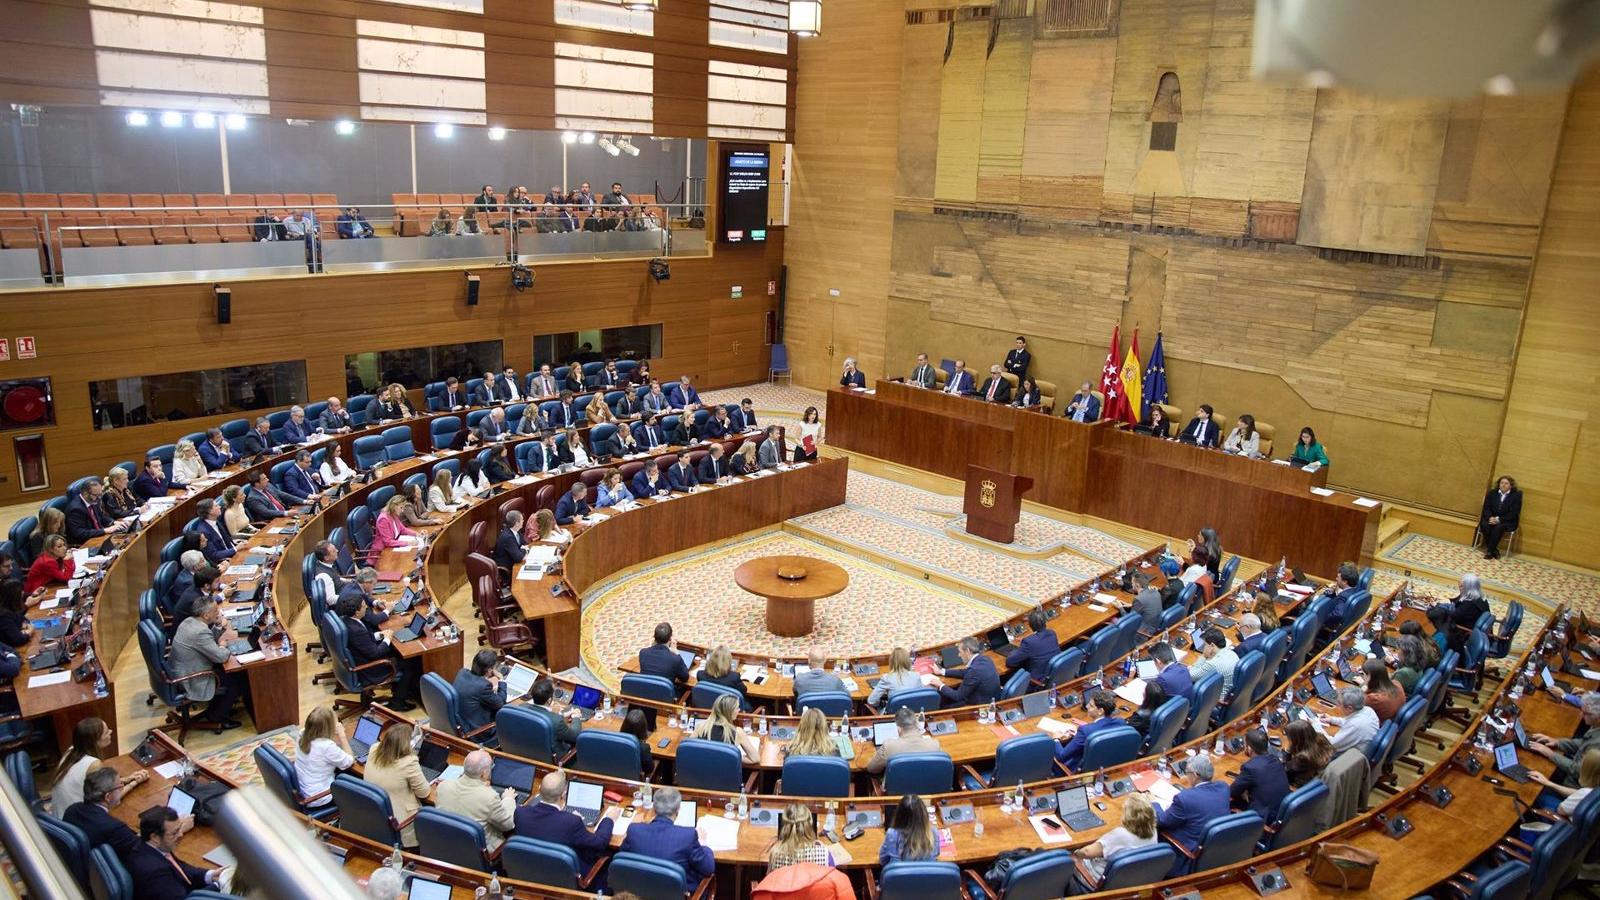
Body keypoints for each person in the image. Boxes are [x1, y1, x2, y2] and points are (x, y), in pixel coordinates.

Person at [514, 770, 618, 869]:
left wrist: (567, 816)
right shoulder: (572, 822)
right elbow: (600, 843)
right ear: (564, 794)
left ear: (539, 789)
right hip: (566, 873)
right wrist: (609, 819)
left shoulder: (520, 812)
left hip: (531, 867)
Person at [339, 592, 419, 710]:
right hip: (370, 670)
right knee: (409, 664)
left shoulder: (348, 620)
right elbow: (375, 653)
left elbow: (365, 639)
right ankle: (398, 702)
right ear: (356, 612)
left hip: (360, 659)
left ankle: (402, 690)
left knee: (396, 652)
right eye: (363, 605)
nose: (366, 606)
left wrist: (380, 635)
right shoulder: (356, 630)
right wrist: (387, 639)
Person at [618, 786, 715, 881]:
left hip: (638, 892)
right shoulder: (688, 836)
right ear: (678, 810)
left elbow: (621, 858)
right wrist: (703, 844)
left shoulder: (634, 830)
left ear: (654, 808)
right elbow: (708, 869)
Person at [171, 598, 241, 728]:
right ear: (206, 615)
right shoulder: (199, 632)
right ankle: (219, 717)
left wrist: (219, 626)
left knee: (229, 673)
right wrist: (222, 647)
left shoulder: (189, 622)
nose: (218, 612)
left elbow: (206, 642)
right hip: (192, 679)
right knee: (236, 678)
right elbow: (221, 657)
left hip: (180, 671)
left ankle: (218, 709)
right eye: (215, 610)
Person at [52, 717, 145, 814]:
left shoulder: (71, 750)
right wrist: (134, 783)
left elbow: (88, 784)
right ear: (95, 741)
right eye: (106, 732)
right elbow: (108, 800)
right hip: (76, 818)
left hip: (60, 815)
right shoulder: (93, 764)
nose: (111, 731)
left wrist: (126, 779)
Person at [363, 723, 430, 848]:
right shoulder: (409, 761)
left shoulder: (374, 748)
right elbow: (424, 793)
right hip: (401, 822)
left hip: (375, 815)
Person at [1072, 793, 1157, 890]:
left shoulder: (1121, 835)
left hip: (1096, 879)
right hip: (1129, 879)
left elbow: (1086, 852)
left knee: (1067, 858)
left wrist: (1075, 854)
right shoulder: (1154, 831)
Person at [435, 750, 517, 851]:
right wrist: (508, 799)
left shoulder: (443, 786)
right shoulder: (489, 797)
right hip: (480, 850)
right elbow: (508, 825)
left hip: (448, 843)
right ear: (483, 774)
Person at [1156, 753, 1229, 853]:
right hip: (1215, 846)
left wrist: (1154, 804)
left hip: (1187, 850)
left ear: (1195, 776)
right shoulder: (1223, 787)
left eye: (1187, 772)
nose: (1186, 775)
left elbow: (1162, 821)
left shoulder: (1185, 798)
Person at [64, 767, 142, 857]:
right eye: (120, 787)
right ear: (108, 797)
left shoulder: (72, 809)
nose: (122, 788)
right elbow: (140, 847)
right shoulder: (114, 828)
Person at [1527, 692, 1600, 786]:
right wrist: (1557, 742)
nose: (1581, 715)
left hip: (1572, 784)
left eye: (1585, 713)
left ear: (1598, 718)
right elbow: (1583, 742)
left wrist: (1550, 754)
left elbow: (1578, 770)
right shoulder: (1596, 726)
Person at [293, 706, 353, 810]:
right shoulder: (326, 746)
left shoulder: (302, 733)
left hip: (303, 789)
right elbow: (350, 761)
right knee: (355, 779)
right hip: (319, 798)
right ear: (329, 727)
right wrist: (342, 735)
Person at [1054, 690, 1124, 772]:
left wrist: (1056, 739)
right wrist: (1079, 736)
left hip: (1079, 771)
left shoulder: (1085, 731)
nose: (1087, 706)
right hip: (1106, 766)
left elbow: (1061, 757)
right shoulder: (1120, 722)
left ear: (1100, 711)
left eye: (1091, 705)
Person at [1230, 729, 1289, 820]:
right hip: (1279, 812)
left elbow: (1232, 792)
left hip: (1263, 818)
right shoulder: (1276, 760)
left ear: (1249, 748)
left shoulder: (1250, 768)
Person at [865, 706, 942, 774]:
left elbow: (872, 769)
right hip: (928, 788)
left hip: (897, 790)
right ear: (917, 724)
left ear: (898, 729)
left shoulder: (889, 746)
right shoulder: (934, 744)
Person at [1528, 748, 1600, 815]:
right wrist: (1548, 783)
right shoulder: (1592, 791)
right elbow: (1578, 793)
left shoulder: (1584, 793)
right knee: (1547, 788)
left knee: (1536, 793)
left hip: (1562, 816)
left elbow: (1561, 810)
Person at [935, 636, 1001, 707]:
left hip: (980, 705)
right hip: (992, 697)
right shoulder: (985, 659)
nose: (959, 655)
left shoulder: (974, 671)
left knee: (943, 705)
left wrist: (940, 685)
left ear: (967, 651)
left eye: (960, 652)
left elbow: (958, 696)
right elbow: (966, 672)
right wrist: (942, 672)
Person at [879, 794, 944, 865]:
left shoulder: (892, 834)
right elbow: (936, 855)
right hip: (928, 875)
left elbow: (883, 860)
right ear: (924, 814)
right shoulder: (934, 833)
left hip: (900, 875)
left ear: (899, 815)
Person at [695, 694, 759, 764]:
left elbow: (689, 749)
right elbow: (755, 759)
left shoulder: (700, 727)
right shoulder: (738, 732)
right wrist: (732, 755)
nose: (739, 710)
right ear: (730, 712)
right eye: (737, 708)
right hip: (724, 774)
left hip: (701, 772)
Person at [528, 677, 584, 757]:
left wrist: (561, 715)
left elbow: (546, 715)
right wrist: (576, 717)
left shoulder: (521, 707)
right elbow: (575, 735)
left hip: (531, 750)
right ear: (549, 700)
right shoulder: (557, 722)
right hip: (555, 758)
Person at [768, 804, 832, 871]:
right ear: (810, 825)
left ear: (784, 825)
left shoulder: (775, 854)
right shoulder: (824, 854)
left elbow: (771, 879)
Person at [455, 650, 505, 734]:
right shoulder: (483, 686)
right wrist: (502, 680)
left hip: (462, 723)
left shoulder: (462, 672)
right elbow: (501, 704)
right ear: (489, 670)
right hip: (477, 731)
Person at [1005, 609, 1058, 686]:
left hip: (1036, 682)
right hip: (1053, 675)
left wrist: (1013, 651)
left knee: (1006, 677)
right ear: (1045, 622)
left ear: (1030, 626)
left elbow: (1010, 662)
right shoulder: (1052, 633)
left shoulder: (1029, 642)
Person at [67, 479, 127, 544]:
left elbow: (101, 516)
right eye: (97, 495)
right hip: (86, 542)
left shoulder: (93, 500)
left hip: (99, 536)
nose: (99, 498)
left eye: (100, 494)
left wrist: (113, 522)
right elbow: (80, 533)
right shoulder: (76, 509)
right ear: (85, 494)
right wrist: (104, 530)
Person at [1323, 687, 1379, 755]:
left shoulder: (1356, 725)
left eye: (1339, 703)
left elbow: (1331, 745)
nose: (1337, 705)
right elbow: (1349, 721)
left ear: (1349, 708)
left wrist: (1317, 728)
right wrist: (1332, 719)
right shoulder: (1368, 710)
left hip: (1350, 759)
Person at [1478, 475, 1521, 559]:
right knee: (1485, 525)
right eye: (1501, 483)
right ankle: (1494, 550)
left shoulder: (1516, 495)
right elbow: (1486, 508)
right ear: (1499, 484)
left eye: (1506, 483)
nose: (1503, 485)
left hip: (1507, 521)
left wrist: (1498, 519)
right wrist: (1490, 517)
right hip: (1491, 518)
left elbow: (1514, 512)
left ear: (1511, 485)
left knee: (1498, 527)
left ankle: (1490, 551)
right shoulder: (1492, 493)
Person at [1283, 718, 1335, 788]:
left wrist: (1287, 752)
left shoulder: (1303, 757)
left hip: (1300, 784)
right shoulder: (1321, 738)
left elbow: (1286, 771)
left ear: (1296, 739)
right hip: (1318, 777)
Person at [1448, 573, 1491, 652]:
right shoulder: (1480, 597)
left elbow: (1453, 617)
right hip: (1477, 631)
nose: (1459, 588)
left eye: (1461, 586)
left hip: (1467, 633)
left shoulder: (1469, 605)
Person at [1187, 627, 1240, 692]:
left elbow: (1190, 677)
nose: (1204, 647)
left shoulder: (1213, 664)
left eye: (1205, 644)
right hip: (1231, 691)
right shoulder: (1232, 653)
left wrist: (1204, 656)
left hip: (1217, 698)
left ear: (1212, 645)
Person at [640, 622, 690, 687]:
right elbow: (685, 678)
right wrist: (677, 653)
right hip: (664, 695)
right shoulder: (675, 659)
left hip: (644, 691)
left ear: (654, 637)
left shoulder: (643, 653)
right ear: (670, 639)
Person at [1359, 658, 1405, 722]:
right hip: (1390, 724)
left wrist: (1363, 687)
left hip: (1377, 726)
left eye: (1364, 674)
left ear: (1371, 677)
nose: (1363, 677)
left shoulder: (1374, 699)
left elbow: (1358, 709)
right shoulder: (1397, 684)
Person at [1322, 562, 1362, 634]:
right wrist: (1333, 594)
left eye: (1338, 577)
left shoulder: (1344, 596)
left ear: (1345, 582)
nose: (1336, 579)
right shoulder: (1355, 591)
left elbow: (1338, 614)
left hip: (1328, 631)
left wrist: (1321, 619)